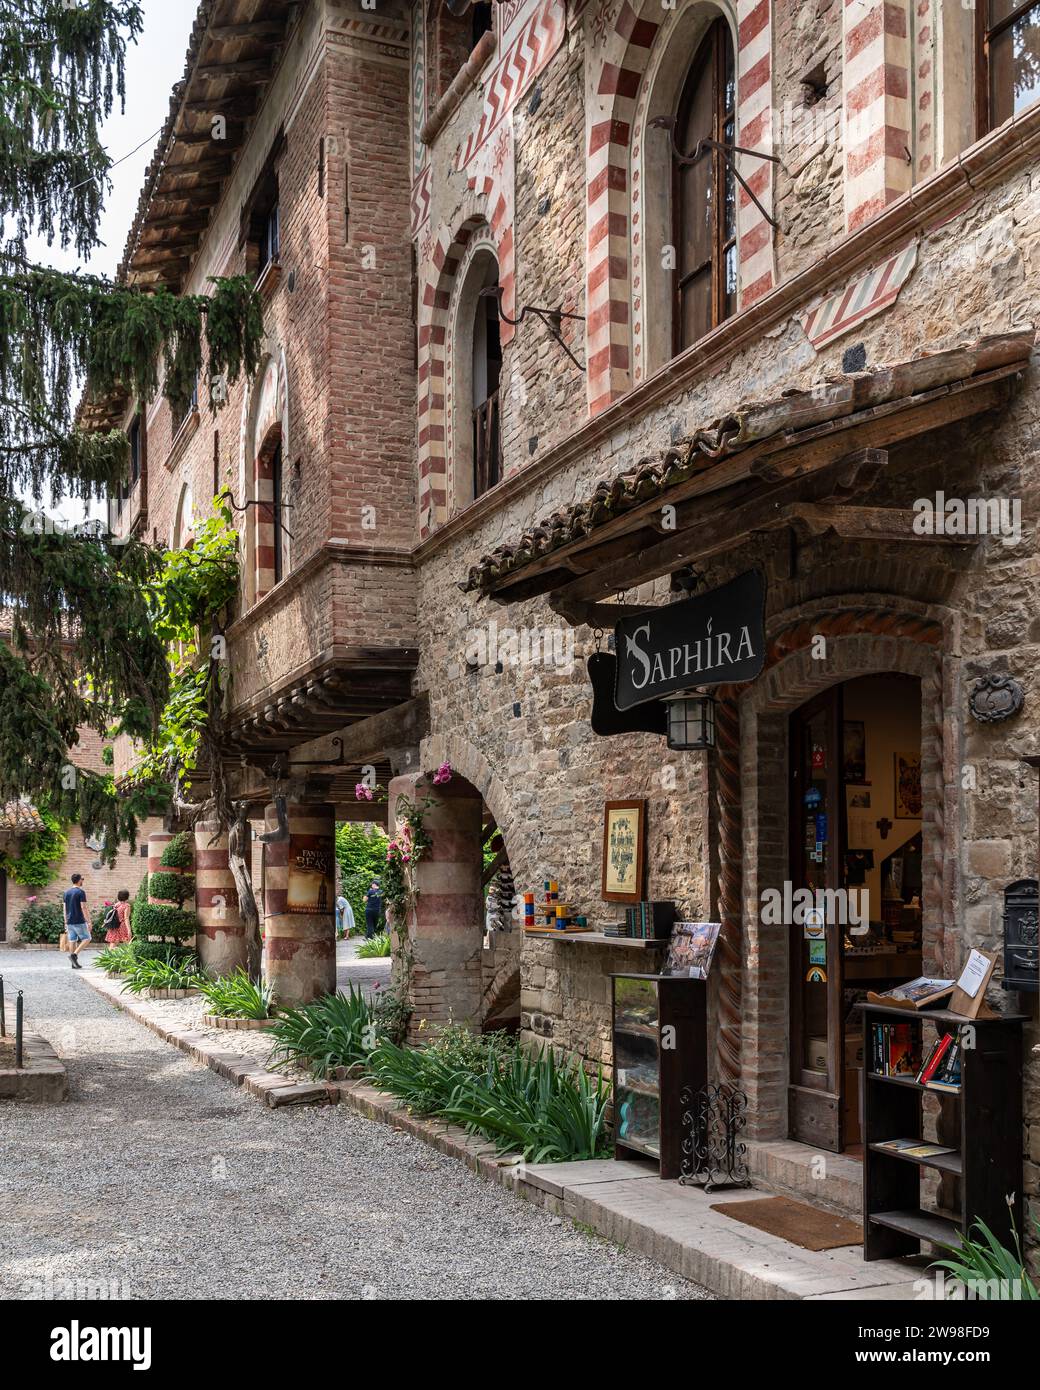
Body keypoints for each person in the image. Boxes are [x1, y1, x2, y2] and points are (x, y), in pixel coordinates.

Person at [62, 873, 90, 969]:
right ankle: (74, 955)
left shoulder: (66, 893)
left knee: (72, 940)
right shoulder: (80, 892)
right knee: (87, 938)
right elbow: (83, 907)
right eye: (82, 879)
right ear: (79, 880)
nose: (83, 880)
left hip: (69, 921)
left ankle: (74, 964)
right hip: (79, 920)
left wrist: (65, 921)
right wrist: (89, 921)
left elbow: (64, 908)